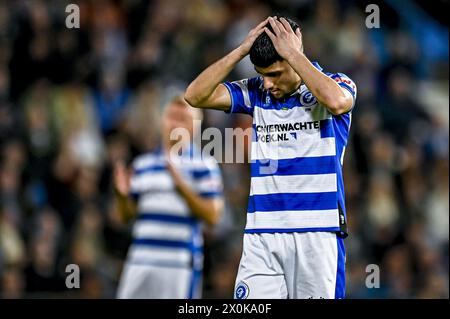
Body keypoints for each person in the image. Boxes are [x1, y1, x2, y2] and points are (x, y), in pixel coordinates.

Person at [185, 16, 357, 299]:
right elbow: (195, 95)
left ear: (294, 56)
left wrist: (293, 54)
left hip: (317, 232)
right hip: (262, 232)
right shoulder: (256, 92)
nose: (266, 83)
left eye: (275, 74)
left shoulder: (338, 84)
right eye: (261, 74)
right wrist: (241, 51)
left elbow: (337, 102)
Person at [113, 95, 224, 298]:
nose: (175, 123)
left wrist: (181, 187)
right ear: (162, 120)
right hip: (140, 258)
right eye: (172, 116)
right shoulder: (142, 165)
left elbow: (213, 216)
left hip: (178, 263)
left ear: (195, 127)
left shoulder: (204, 166)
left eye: (183, 118)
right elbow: (125, 217)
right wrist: (122, 196)